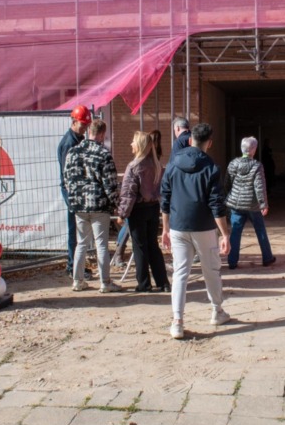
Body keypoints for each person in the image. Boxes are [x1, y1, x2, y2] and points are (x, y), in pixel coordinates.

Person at [161, 123, 231, 339]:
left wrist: (165, 228)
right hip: (203, 227)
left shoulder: (173, 165)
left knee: (180, 273)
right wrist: (225, 234)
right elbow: (216, 203)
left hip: (178, 226)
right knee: (211, 270)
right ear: (209, 143)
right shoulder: (211, 167)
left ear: (190, 140)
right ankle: (217, 311)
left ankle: (177, 321)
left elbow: (165, 196)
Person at [64, 118, 123, 293]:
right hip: (98, 205)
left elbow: (67, 179)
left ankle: (77, 280)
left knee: (81, 243)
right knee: (101, 245)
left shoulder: (72, 152)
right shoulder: (103, 154)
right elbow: (110, 184)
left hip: (79, 205)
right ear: (102, 134)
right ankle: (105, 282)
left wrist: (74, 199)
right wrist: (117, 204)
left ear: (89, 131)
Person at [117, 131, 170, 292]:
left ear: (139, 145)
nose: (131, 144)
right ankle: (163, 282)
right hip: (153, 208)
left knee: (139, 247)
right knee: (153, 245)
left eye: (133, 141)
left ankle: (144, 283)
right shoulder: (157, 165)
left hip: (138, 210)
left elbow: (128, 193)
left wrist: (122, 213)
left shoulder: (134, 166)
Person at [224, 136, 276, 269]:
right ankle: (267, 258)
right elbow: (259, 187)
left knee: (235, 231)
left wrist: (230, 195)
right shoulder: (257, 166)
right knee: (260, 230)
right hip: (253, 206)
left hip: (236, 204)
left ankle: (232, 261)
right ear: (253, 150)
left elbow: (227, 182)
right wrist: (263, 204)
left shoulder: (233, 163)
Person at [58, 106, 93, 281]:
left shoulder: (77, 139)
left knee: (78, 230)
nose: (85, 129)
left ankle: (74, 265)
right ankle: (73, 267)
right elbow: (68, 173)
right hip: (72, 192)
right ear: (74, 122)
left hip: (76, 191)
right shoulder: (69, 143)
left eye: (87, 125)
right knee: (75, 230)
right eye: (83, 125)